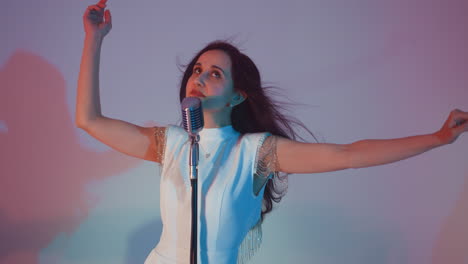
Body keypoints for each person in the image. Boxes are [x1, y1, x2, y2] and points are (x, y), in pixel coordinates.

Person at [77, 1, 468, 263]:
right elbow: (89, 120)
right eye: (196, 70)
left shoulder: (256, 152)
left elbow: (349, 154)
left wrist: (436, 138)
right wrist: (94, 40)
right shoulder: (171, 144)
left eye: (215, 74)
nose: (199, 78)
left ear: (236, 97)